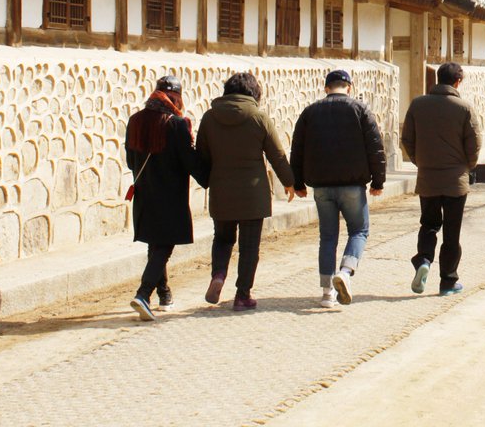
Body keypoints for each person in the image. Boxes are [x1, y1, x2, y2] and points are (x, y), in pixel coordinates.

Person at [196, 71, 295, 311]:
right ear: (254, 93)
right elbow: (277, 155)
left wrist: (207, 181)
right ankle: (242, 295)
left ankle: (218, 275)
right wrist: (290, 182)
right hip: (253, 194)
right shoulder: (259, 117)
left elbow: (201, 156)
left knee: (222, 239)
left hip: (222, 192)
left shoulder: (209, 118)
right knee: (249, 246)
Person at [290, 69, 386, 309]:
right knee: (359, 231)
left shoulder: (310, 112)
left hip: (321, 187)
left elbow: (297, 150)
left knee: (328, 237)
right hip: (353, 185)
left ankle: (326, 293)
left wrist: (298, 182)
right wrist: (378, 181)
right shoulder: (360, 110)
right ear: (349, 87)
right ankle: (345, 271)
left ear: (326, 88)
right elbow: (375, 147)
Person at [124, 75, 209, 321]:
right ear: (177, 98)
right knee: (164, 245)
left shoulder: (135, 120)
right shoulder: (176, 124)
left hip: (144, 193)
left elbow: (131, 161)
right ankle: (143, 294)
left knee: (155, 243)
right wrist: (209, 178)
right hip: (170, 196)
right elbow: (188, 161)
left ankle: (164, 293)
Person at [401, 61, 481, 296]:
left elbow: (407, 139)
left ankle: (424, 260)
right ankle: (448, 281)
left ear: (437, 79)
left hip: (428, 177)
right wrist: (469, 165)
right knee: (451, 231)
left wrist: (419, 160)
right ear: (458, 82)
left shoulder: (417, 105)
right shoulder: (464, 108)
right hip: (456, 180)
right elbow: (474, 143)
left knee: (428, 224)